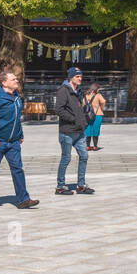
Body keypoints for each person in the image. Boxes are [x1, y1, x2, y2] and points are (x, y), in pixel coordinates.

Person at [0, 71, 38, 210]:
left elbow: (16, 119)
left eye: (16, 79)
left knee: (18, 170)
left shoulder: (17, 97)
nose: (17, 81)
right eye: (13, 79)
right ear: (4, 83)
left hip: (13, 142)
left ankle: (23, 199)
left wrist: (20, 134)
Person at [53, 66, 93, 196]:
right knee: (66, 158)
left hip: (80, 131)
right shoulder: (63, 91)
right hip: (67, 131)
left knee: (84, 156)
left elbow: (79, 108)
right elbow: (59, 109)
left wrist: (83, 121)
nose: (80, 78)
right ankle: (60, 186)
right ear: (71, 77)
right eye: (77, 76)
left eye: (81, 76)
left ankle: (81, 185)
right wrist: (73, 119)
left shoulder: (78, 91)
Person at [83, 82, 106, 151]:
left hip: (87, 115)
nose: (98, 90)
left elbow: (82, 104)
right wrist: (100, 108)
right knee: (96, 130)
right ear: (96, 88)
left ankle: (88, 146)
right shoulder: (98, 95)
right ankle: (95, 146)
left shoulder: (85, 95)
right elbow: (103, 101)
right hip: (97, 114)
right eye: (98, 88)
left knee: (88, 130)